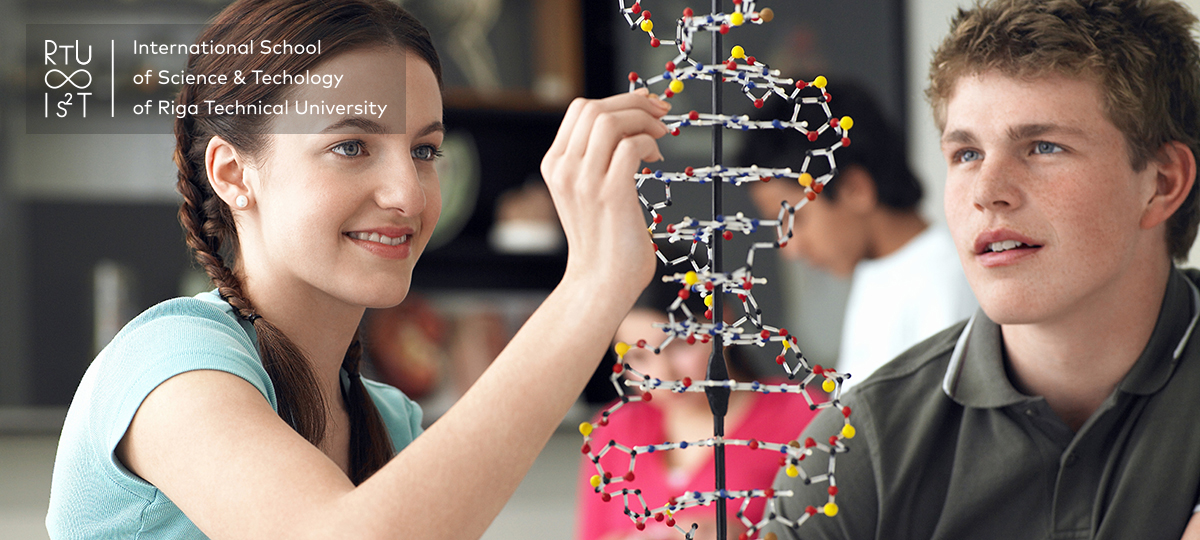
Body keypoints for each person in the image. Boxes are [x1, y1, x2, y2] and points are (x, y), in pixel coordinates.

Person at [45, 0, 670, 538]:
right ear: (234, 173)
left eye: (425, 151)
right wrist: (592, 288)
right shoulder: (170, 368)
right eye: (351, 146)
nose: (411, 193)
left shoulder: (390, 422)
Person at [765, 0, 1200, 538]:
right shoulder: (854, 451)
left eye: (1043, 147)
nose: (986, 193)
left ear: (1162, 183)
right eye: (967, 154)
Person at [741, 82, 976, 385]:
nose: (789, 249)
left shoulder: (946, 280)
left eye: (794, 220)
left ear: (855, 190)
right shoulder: (875, 272)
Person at [576, 280, 820, 540]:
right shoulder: (613, 429)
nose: (662, 375)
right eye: (638, 357)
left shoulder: (803, 413)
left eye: (680, 344)